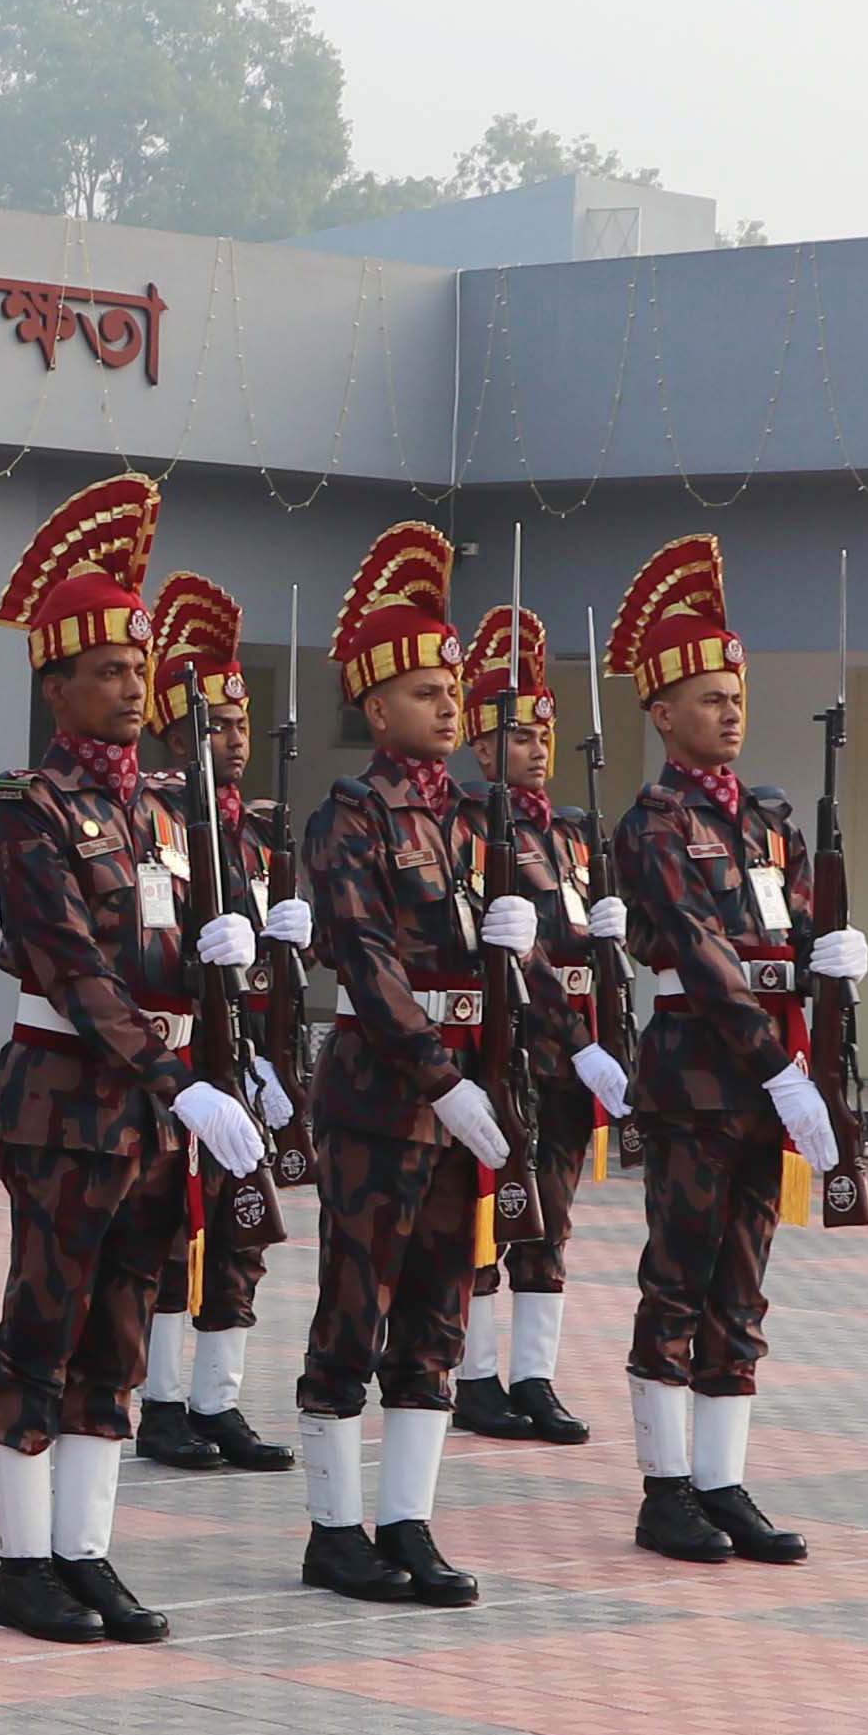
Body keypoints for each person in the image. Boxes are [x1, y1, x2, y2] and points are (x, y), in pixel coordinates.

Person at [0, 479, 266, 1643]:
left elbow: (174, 950)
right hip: (71, 1103)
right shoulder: (24, 809)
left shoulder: (168, 806)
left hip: (156, 1107)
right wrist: (176, 1074)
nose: (132, 686)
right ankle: (19, 1560)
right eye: (106, 670)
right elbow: (74, 970)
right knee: (44, 1321)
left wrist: (229, 944)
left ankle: (84, 1549)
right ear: (56, 686)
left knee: (123, 1327)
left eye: (138, 669)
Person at [603, 534, 865, 1567]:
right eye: (706, 697)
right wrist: (775, 1065)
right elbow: (703, 959)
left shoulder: (767, 818)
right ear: (663, 713)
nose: (728, 710)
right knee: (677, 1274)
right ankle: (664, 1487)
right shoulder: (652, 823)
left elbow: (787, 928)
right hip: (699, 1076)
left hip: (767, 1080)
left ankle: (722, 1479)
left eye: (734, 694)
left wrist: (829, 950)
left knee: (742, 1281)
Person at [285, 521, 506, 1608]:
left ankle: (407, 1519)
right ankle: (334, 1528)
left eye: (451, 687)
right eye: (422, 690)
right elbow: (365, 963)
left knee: (437, 1316)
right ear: (374, 709)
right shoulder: (351, 816)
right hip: (384, 1100)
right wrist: (439, 1076)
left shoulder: (478, 820)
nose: (446, 705)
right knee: (352, 1309)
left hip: (461, 1099)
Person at [132, 576, 300, 1472]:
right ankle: (161, 1403)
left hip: (246, 1053)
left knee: (243, 1227)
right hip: (180, 1055)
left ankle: (217, 1400)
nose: (233, 739)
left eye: (240, 725)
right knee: (168, 1229)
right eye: (217, 725)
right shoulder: (158, 817)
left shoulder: (265, 833)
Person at [453, 605, 629, 1447]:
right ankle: (476, 1375)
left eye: (543, 736)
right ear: (482, 746)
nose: (536, 750)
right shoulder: (470, 826)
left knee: (551, 1216)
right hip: (510, 1050)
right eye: (520, 737)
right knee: (493, 1208)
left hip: (569, 1058)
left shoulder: (570, 835)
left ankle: (535, 1377)